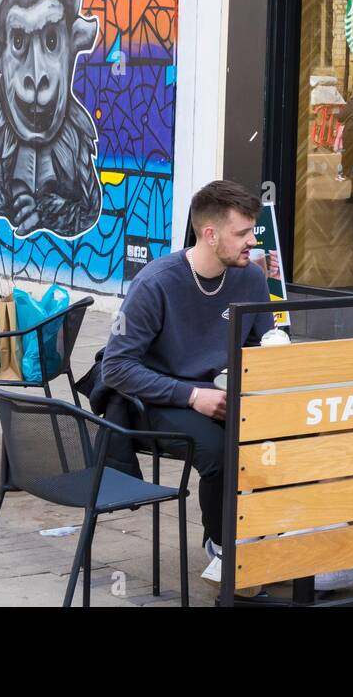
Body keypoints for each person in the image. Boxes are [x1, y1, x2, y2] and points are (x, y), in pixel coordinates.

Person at [101, 180, 277, 588]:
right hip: (153, 398)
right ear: (210, 234)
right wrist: (193, 395)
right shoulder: (156, 283)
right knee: (220, 452)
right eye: (242, 233)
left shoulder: (250, 278)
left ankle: (274, 538)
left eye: (252, 231)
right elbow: (116, 367)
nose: (252, 241)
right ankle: (223, 547)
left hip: (217, 392)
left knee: (279, 440)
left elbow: (260, 346)